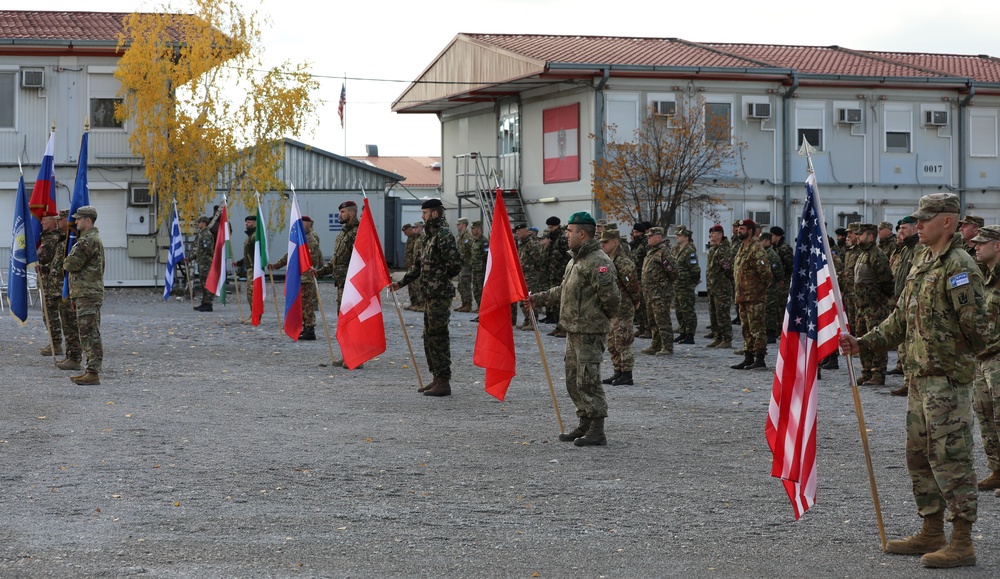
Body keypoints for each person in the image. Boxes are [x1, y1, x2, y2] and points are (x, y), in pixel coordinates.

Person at [839, 193, 987, 568]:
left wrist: (955, 364)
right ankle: (932, 530)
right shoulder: (923, 261)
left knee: (951, 459)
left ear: (948, 222)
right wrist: (863, 343)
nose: (917, 224)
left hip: (946, 382)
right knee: (919, 459)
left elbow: (978, 329)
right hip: (920, 380)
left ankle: (962, 541)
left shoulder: (960, 266)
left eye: (925, 218)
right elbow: (900, 319)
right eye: (917, 219)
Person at [529, 211, 620, 446]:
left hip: (589, 331)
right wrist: (537, 299)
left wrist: (597, 320)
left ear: (582, 233)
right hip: (573, 329)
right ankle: (585, 423)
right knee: (573, 379)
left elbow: (612, 299)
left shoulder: (598, 261)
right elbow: (563, 291)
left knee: (588, 380)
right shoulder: (575, 260)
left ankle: (597, 429)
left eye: (569, 231)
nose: (566, 235)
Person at [391, 199, 464, 397]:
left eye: (424, 212)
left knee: (438, 336)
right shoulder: (428, 236)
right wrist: (401, 283)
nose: (421, 216)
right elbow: (418, 265)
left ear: (434, 214)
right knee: (429, 336)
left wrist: (439, 278)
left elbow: (456, 264)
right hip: (429, 295)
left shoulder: (444, 235)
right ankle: (436, 378)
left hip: (440, 294)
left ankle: (443, 381)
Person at [971, 224, 1000, 493]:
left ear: (997, 246)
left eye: (982, 243)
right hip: (983, 358)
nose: (976, 246)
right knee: (985, 415)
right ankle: (997, 469)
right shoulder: (986, 276)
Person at [62, 206, 105, 386]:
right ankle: (90, 369)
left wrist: (66, 261)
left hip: (88, 293)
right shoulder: (89, 239)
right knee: (86, 331)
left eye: (79, 219)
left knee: (89, 333)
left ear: (88, 220)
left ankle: (93, 371)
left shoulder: (88, 241)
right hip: (85, 292)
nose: (76, 222)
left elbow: (71, 264)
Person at [852, 223, 894, 386]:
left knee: (877, 340)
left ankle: (878, 373)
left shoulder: (877, 256)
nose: (857, 237)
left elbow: (887, 282)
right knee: (863, 340)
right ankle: (866, 371)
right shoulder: (862, 255)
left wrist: (879, 300)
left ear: (870, 236)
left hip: (875, 307)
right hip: (862, 307)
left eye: (860, 235)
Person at [600, 228, 641, 386]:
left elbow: (632, 285)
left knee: (622, 342)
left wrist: (636, 300)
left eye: (606, 242)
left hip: (623, 308)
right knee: (612, 342)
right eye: (602, 242)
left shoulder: (623, 262)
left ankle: (627, 374)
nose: (602, 244)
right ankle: (617, 371)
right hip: (612, 308)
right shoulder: (607, 259)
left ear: (615, 243)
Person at [271, 216, 323, 340]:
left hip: (305, 277)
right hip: (299, 277)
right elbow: (290, 254)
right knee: (302, 304)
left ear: (307, 225)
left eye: (303, 225)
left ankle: (310, 329)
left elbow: (314, 259)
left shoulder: (310, 240)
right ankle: (305, 327)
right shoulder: (302, 239)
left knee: (307, 304)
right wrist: (277, 265)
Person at [886, 216, 921, 393]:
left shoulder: (917, 249)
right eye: (899, 229)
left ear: (915, 229)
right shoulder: (906, 249)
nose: (900, 232)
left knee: (911, 344)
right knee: (904, 342)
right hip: (902, 300)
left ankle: (911, 383)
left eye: (904, 229)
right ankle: (908, 382)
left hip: (913, 303)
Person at [731, 219, 771, 370]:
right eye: (739, 228)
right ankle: (748, 357)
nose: (739, 231)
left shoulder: (756, 249)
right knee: (746, 328)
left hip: (754, 296)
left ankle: (760, 358)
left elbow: (766, 274)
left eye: (742, 229)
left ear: (751, 231)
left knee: (757, 328)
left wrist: (757, 290)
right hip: (742, 296)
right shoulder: (742, 247)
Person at [313, 201, 359, 311]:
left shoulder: (357, 233)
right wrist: (320, 272)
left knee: (351, 319)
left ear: (351, 213)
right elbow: (336, 259)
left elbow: (360, 261)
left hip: (352, 286)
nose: (340, 215)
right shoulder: (343, 233)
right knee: (342, 317)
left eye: (343, 212)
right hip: (341, 284)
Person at [640, 227, 676, 356]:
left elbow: (673, 271)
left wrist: (663, 285)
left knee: (662, 320)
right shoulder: (652, 251)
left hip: (660, 293)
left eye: (651, 236)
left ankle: (667, 346)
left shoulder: (664, 251)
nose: (648, 238)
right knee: (652, 321)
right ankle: (656, 345)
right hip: (650, 293)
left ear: (659, 237)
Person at [37, 210, 69, 356]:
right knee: (49, 314)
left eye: (44, 220)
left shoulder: (54, 239)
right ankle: (54, 342)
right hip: (49, 281)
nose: (41, 223)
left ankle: (57, 344)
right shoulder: (52, 237)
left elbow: (44, 258)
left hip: (55, 283)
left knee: (54, 315)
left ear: (52, 221)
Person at [705, 224, 733, 348]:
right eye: (711, 233)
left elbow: (728, 268)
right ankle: (718, 336)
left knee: (722, 313)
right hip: (713, 286)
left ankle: (727, 338)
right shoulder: (713, 248)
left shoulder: (724, 249)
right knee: (714, 313)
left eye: (714, 233)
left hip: (722, 287)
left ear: (721, 235)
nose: (711, 235)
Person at [672, 225, 700, 345]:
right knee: (679, 310)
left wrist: (691, 283)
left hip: (686, 286)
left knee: (688, 310)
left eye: (680, 235)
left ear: (686, 237)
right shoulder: (677, 249)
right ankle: (683, 332)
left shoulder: (689, 251)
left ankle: (690, 335)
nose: (677, 237)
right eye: (677, 235)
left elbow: (695, 270)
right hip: (677, 285)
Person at [542, 216, 571, 330]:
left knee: (561, 302)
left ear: (557, 225)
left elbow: (568, 255)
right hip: (553, 274)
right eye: (548, 227)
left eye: (551, 227)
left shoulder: (562, 238)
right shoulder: (553, 238)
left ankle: (563, 327)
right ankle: (558, 326)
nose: (550, 229)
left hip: (561, 274)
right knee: (554, 301)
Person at [514, 223, 545, 329]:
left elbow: (538, 260)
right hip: (523, 275)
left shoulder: (531, 243)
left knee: (529, 298)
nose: (517, 233)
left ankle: (533, 322)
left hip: (530, 276)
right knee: (522, 300)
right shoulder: (522, 243)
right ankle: (527, 320)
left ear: (526, 231)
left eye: (520, 231)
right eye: (517, 231)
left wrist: (534, 272)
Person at [759, 231, 785, 345]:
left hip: (771, 287)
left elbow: (778, 271)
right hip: (763, 288)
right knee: (764, 311)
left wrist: (779, 281)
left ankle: (771, 334)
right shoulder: (762, 253)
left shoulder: (771, 254)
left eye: (761, 241)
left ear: (766, 241)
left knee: (770, 311)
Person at [629, 221, 651, 338]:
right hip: (635, 278)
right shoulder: (635, 245)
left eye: (637, 232)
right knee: (638, 304)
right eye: (634, 231)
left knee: (644, 304)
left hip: (643, 278)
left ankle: (648, 328)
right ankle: (641, 326)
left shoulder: (645, 244)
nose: (635, 233)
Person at [233, 215, 256, 310]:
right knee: (250, 293)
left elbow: (258, 252)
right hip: (249, 267)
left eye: (249, 222)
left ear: (255, 223)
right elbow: (248, 254)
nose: (246, 224)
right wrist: (239, 263)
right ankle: (253, 314)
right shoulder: (249, 236)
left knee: (252, 293)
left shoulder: (255, 236)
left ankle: (255, 315)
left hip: (254, 268)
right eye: (246, 222)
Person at [193, 216, 216, 312]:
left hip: (206, 262)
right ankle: (204, 302)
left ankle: (208, 304)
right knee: (203, 283)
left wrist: (211, 258)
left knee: (207, 283)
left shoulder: (206, 234)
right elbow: (200, 250)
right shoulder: (201, 234)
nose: (198, 224)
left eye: (200, 222)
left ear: (204, 223)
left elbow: (208, 249)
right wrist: (191, 258)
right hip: (202, 262)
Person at [468, 221, 490, 314]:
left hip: (481, 269)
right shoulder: (474, 240)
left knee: (481, 289)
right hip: (474, 268)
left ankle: (483, 307)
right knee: (476, 289)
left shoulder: (484, 241)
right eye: (472, 229)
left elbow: (487, 255)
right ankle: (479, 306)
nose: (472, 230)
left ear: (479, 229)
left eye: (474, 228)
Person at [454, 217, 474, 312]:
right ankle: (464, 303)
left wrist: (470, 263)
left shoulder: (468, 237)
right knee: (461, 285)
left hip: (466, 264)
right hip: (460, 265)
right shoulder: (459, 236)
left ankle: (468, 304)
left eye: (459, 224)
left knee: (466, 284)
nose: (457, 226)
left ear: (464, 225)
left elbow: (472, 250)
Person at [402, 223, 424, 311]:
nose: (405, 234)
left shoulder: (418, 238)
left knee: (417, 285)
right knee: (411, 285)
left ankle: (420, 303)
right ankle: (414, 302)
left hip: (416, 265)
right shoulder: (411, 238)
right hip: (410, 265)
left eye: (406, 232)